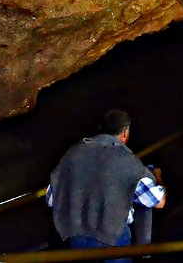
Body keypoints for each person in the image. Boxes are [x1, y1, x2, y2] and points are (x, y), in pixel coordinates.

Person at [47, 109, 166, 262]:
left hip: (75, 236)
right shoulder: (126, 161)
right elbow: (158, 201)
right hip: (111, 238)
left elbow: (52, 198)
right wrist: (157, 177)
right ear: (125, 133)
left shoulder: (73, 153)